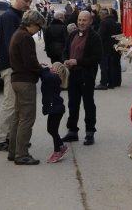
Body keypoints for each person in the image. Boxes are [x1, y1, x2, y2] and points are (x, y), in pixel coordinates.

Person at [0, 0, 33, 151]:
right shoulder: (10, 17)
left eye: (30, 1)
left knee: (15, 104)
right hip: (10, 66)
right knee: (10, 104)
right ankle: (0, 140)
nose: (28, 4)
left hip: (13, 66)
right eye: (25, 1)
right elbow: (13, 44)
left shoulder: (18, 16)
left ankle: (11, 137)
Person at [8, 10, 45, 165]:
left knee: (18, 117)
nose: (39, 30)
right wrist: (42, 70)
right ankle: (21, 154)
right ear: (32, 24)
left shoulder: (18, 33)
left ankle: (13, 151)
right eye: (39, 26)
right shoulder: (25, 38)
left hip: (17, 79)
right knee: (27, 118)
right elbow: (29, 62)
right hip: (25, 81)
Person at [62, 11, 102, 145]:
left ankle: (90, 132)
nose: (81, 23)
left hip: (86, 76)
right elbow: (65, 51)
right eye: (79, 20)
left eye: (84, 20)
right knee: (72, 104)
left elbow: (96, 58)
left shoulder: (95, 37)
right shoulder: (72, 34)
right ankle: (72, 131)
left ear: (90, 21)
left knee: (88, 104)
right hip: (72, 75)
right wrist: (65, 60)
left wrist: (77, 62)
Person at [40, 62, 69, 163]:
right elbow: (44, 77)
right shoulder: (54, 78)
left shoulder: (55, 78)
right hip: (55, 108)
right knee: (52, 129)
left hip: (56, 109)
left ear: (58, 71)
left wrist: (43, 68)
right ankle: (61, 146)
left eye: (53, 67)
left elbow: (46, 76)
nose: (50, 68)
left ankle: (58, 151)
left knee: (52, 130)